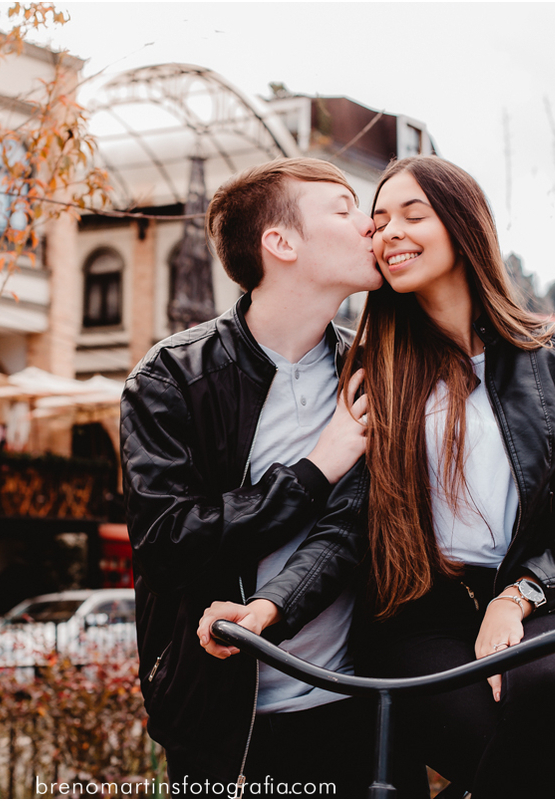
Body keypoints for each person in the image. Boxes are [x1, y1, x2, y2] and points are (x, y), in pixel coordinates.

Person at [347, 155, 555, 798]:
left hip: (530, 596)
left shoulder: (551, 355)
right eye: (378, 222)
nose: (390, 234)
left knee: (549, 685)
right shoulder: (367, 364)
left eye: (413, 214)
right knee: (536, 775)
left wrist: (515, 598)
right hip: (415, 617)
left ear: (465, 227)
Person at [122, 157, 381, 798]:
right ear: (281, 242)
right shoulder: (171, 379)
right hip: (219, 717)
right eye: (345, 210)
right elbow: (166, 540)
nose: (371, 224)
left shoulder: (373, 372)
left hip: (358, 704)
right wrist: (315, 470)